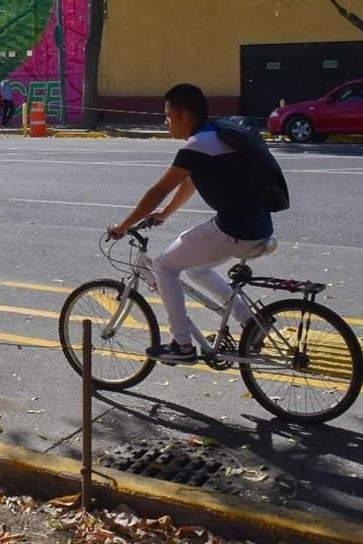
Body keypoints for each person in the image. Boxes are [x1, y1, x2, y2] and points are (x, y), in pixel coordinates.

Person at [106, 83, 274, 363]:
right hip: (258, 224)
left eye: (168, 115)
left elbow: (157, 191)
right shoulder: (217, 136)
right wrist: (165, 213)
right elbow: (191, 180)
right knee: (196, 270)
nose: (166, 121)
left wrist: (122, 226)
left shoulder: (197, 145)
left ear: (185, 115)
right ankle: (251, 322)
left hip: (235, 228)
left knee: (163, 265)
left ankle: (182, 346)